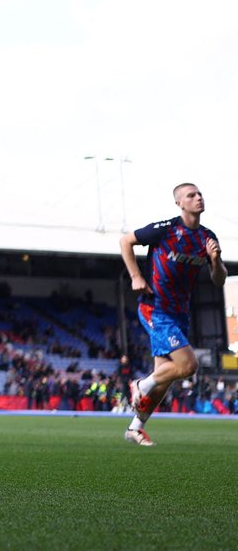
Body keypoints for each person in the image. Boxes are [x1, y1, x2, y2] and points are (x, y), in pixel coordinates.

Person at [119, 183, 226, 446]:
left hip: (180, 313)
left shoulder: (207, 238)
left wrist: (216, 260)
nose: (198, 198)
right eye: (191, 195)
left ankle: (135, 428)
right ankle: (140, 385)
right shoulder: (166, 229)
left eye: (200, 194)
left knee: (166, 378)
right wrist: (135, 276)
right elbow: (126, 240)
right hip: (155, 307)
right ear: (179, 203)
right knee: (188, 366)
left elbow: (219, 280)